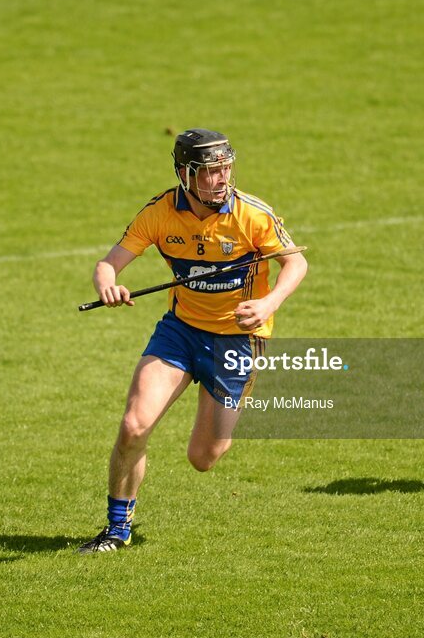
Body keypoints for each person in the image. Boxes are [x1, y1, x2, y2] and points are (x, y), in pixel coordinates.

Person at [78, 128, 308, 552]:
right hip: (180, 333)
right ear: (185, 175)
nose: (221, 179)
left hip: (239, 340)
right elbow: (108, 264)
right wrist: (107, 285)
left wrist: (269, 304)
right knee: (133, 427)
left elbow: (295, 264)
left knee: (204, 458)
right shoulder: (160, 212)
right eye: (210, 172)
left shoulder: (252, 215)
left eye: (225, 169)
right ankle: (116, 529)